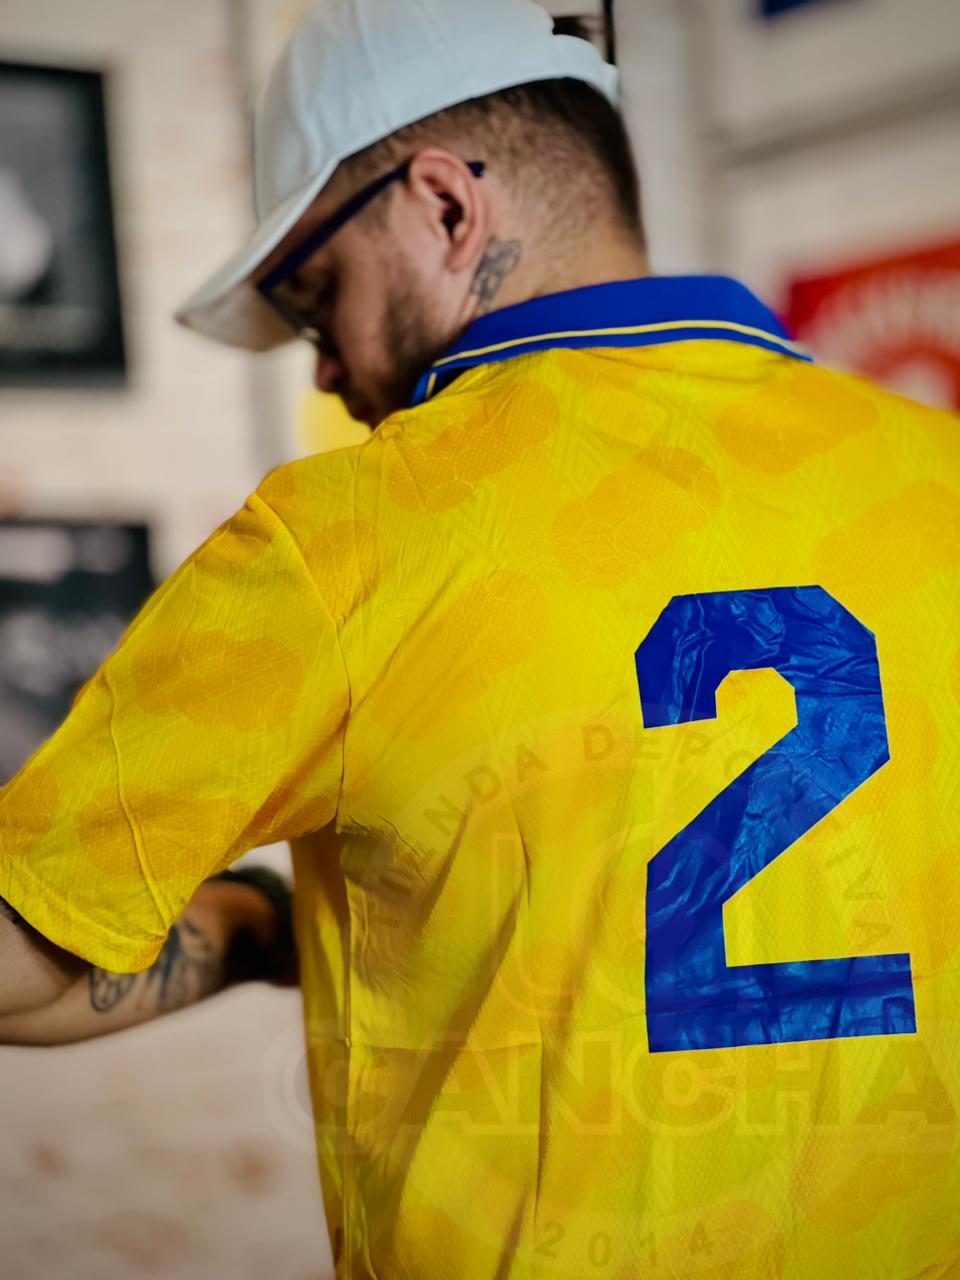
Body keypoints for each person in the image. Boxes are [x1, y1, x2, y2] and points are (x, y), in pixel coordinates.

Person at [1, 1, 958, 1276]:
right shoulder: (937, 471)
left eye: (315, 295)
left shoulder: (342, 536)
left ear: (448, 206)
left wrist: (256, 925)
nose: (324, 370)